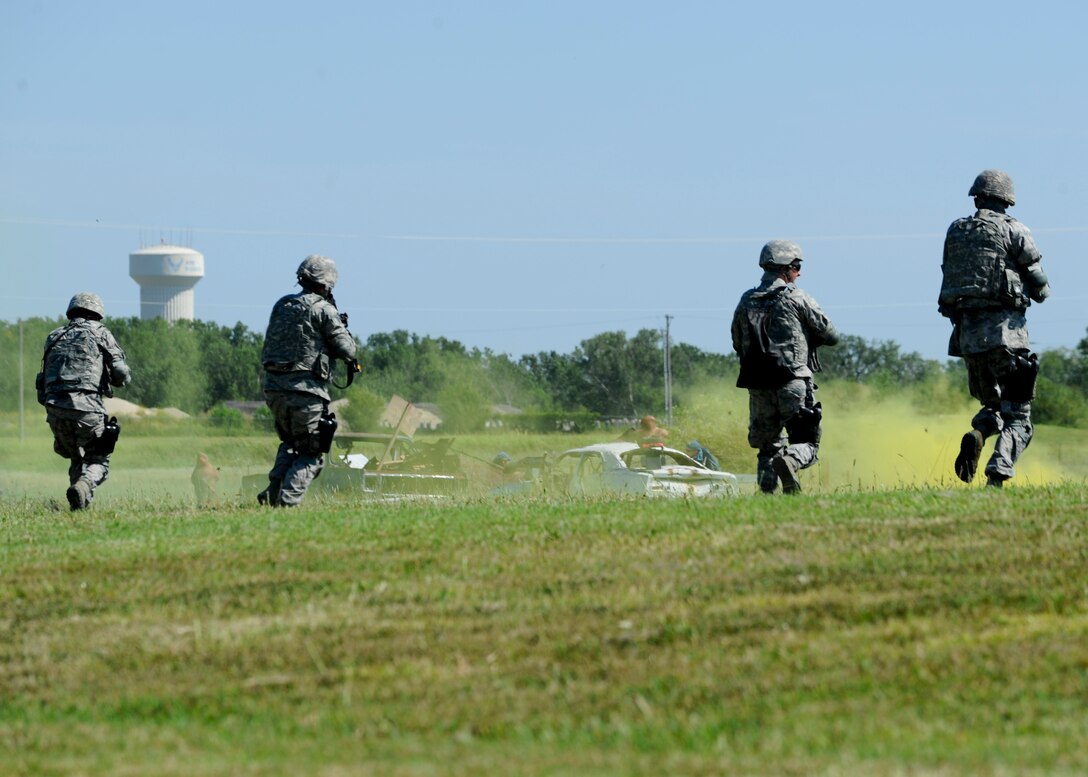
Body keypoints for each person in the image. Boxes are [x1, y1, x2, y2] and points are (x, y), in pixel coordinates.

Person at [940, 169, 1050, 488]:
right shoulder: (1015, 230)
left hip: (968, 340)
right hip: (1007, 338)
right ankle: (997, 475)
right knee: (1019, 419)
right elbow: (1037, 278)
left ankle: (978, 433)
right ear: (1007, 200)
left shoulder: (957, 231)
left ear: (977, 197)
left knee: (993, 406)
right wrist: (1041, 293)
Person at [731, 240, 839, 494]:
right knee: (807, 442)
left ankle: (767, 496)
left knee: (767, 447)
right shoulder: (797, 297)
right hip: (792, 382)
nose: (799, 272)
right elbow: (831, 334)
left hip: (757, 385)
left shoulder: (746, 301)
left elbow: (737, 341)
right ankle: (790, 462)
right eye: (797, 266)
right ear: (785, 268)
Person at [258, 255, 357, 506]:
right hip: (306, 392)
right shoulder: (323, 310)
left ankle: (272, 494)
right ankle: (288, 504)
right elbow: (348, 350)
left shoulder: (282, 305)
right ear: (326, 284)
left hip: (274, 390)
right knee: (312, 453)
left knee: (291, 444)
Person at [37, 292, 131, 510]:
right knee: (98, 460)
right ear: (97, 313)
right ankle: (84, 485)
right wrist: (122, 378)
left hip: (55, 408)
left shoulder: (54, 336)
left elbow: (42, 378)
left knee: (76, 458)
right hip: (87, 407)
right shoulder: (100, 333)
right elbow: (119, 370)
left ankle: (79, 506)